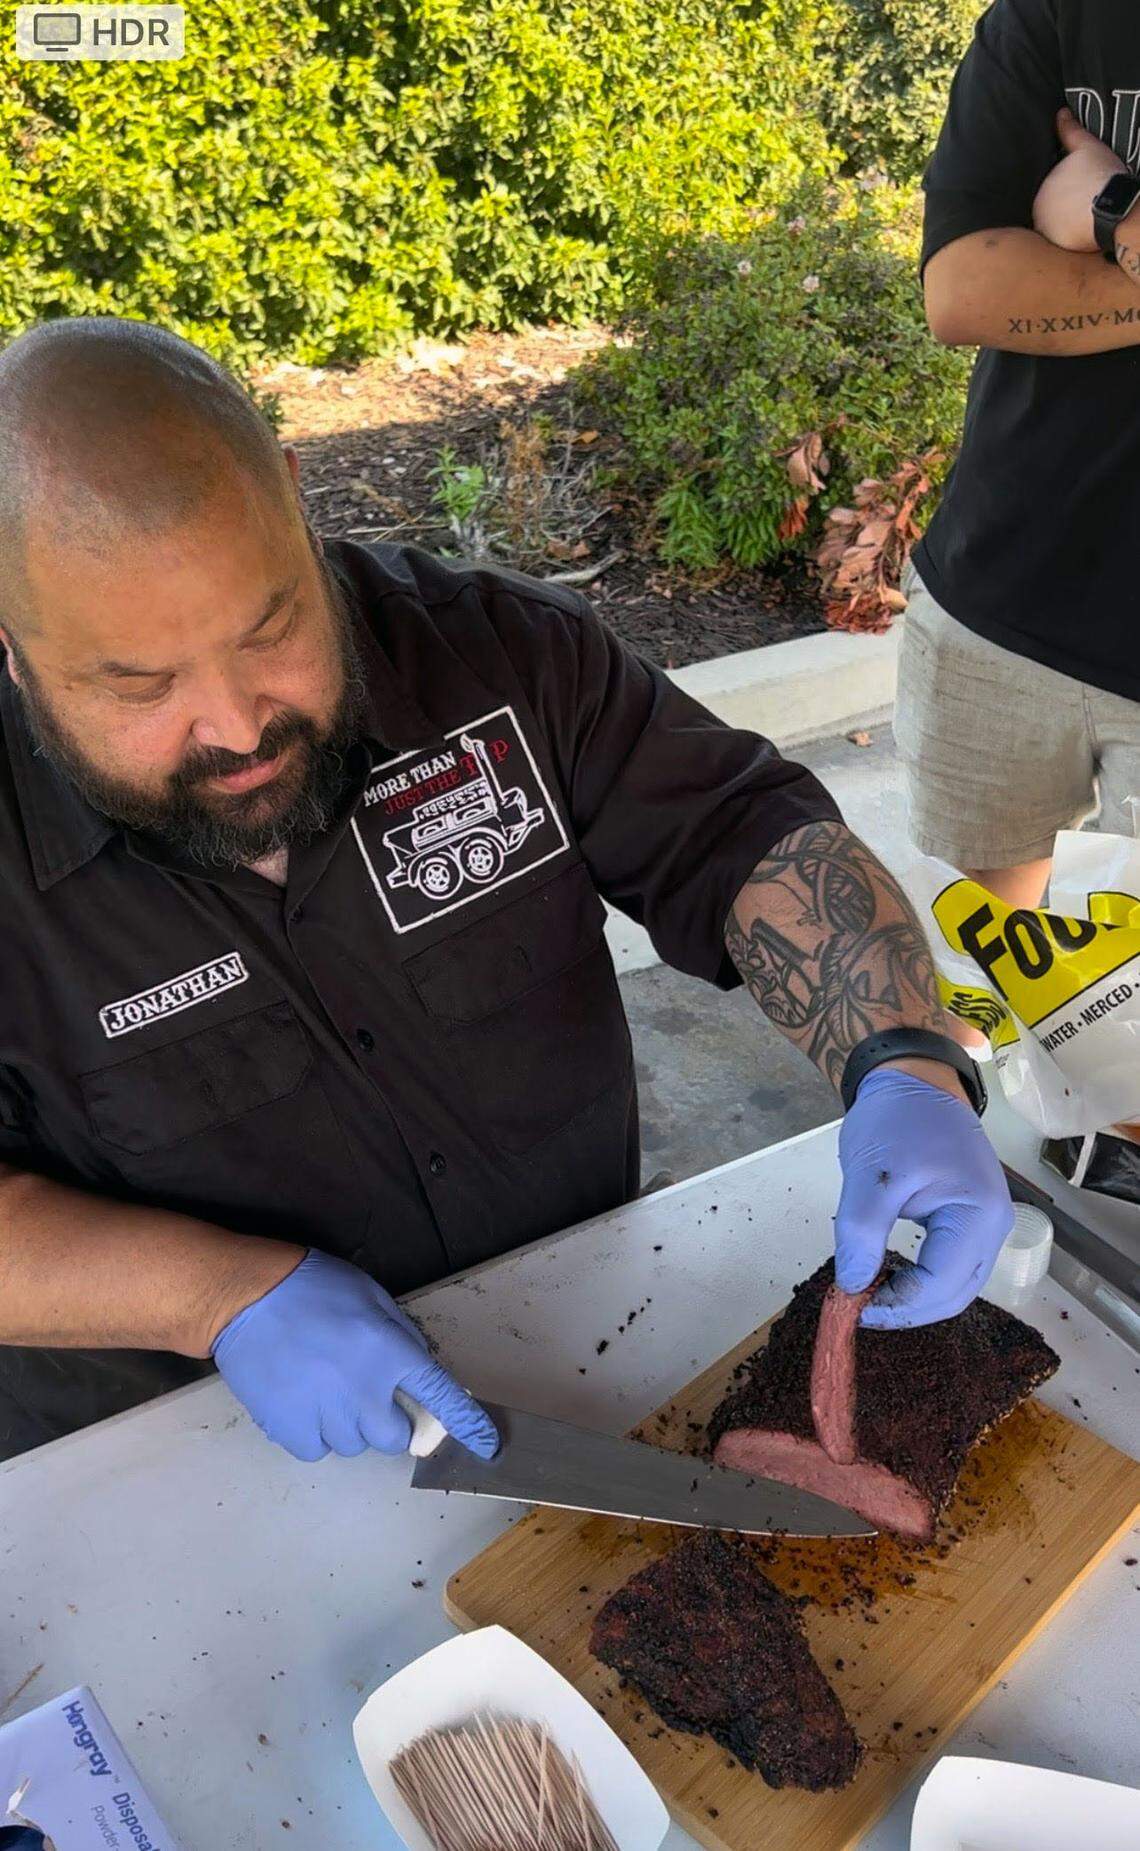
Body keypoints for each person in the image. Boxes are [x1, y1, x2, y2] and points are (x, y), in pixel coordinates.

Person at [0, 317, 1012, 1465]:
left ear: (295, 498)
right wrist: (217, 1297)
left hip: (585, 1351)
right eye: (138, 684)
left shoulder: (502, 654)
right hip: (187, 1462)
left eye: (271, 624)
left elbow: (740, 835)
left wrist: (906, 1063)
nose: (235, 726)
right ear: (13, 638)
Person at [897, 0, 1140, 1185]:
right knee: (992, 986)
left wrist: (1100, 212)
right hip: (1001, 606)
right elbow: (960, 291)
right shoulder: (1055, 18)